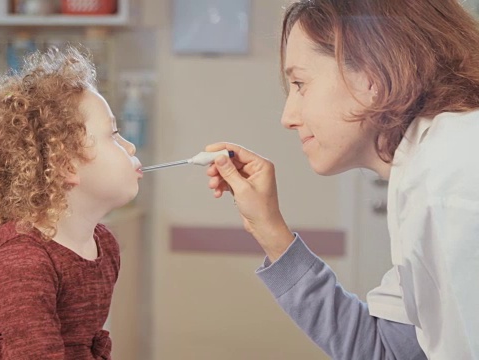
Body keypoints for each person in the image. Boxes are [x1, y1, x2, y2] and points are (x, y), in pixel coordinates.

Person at [205, 0, 479, 359]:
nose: (288, 117)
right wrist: (270, 231)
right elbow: (387, 351)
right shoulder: (422, 174)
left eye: (300, 83)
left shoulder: (449, 181)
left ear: (372, 76)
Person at [0, 46, 142, 359]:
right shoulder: (22, 260)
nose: (129, 147)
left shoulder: (104, 245)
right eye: (113, 135)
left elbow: (86, 346)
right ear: (65, 165)